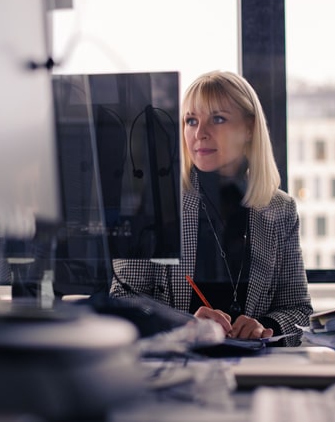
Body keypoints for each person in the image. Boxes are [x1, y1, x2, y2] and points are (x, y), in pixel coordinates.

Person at [109, 70, 312, 346]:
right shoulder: (155, 201)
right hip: (172, 365)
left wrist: (265, 327)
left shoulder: (281, 210)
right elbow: (122, 302)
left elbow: (298, 310)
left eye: (217, 119)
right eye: (191, 120)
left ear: (249, 128)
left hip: (252, 370)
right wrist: (183, 323)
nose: (200, 133)